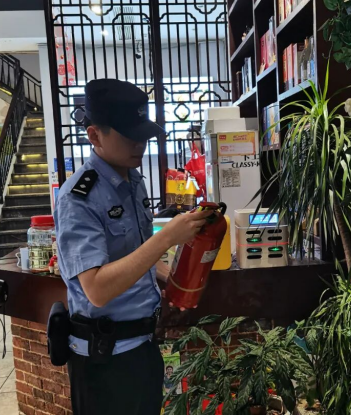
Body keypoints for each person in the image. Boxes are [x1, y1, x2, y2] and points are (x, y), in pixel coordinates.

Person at [54, 79, 211, 415]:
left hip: (142, 348)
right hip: (105, 362)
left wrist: (172, 278)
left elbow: (133, 255)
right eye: (129, 135)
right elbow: (96, 289)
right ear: (94, 135)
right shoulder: (79, 197)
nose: (140, 144)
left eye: (143, 134)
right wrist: (166, 238)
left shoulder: (133, 180)